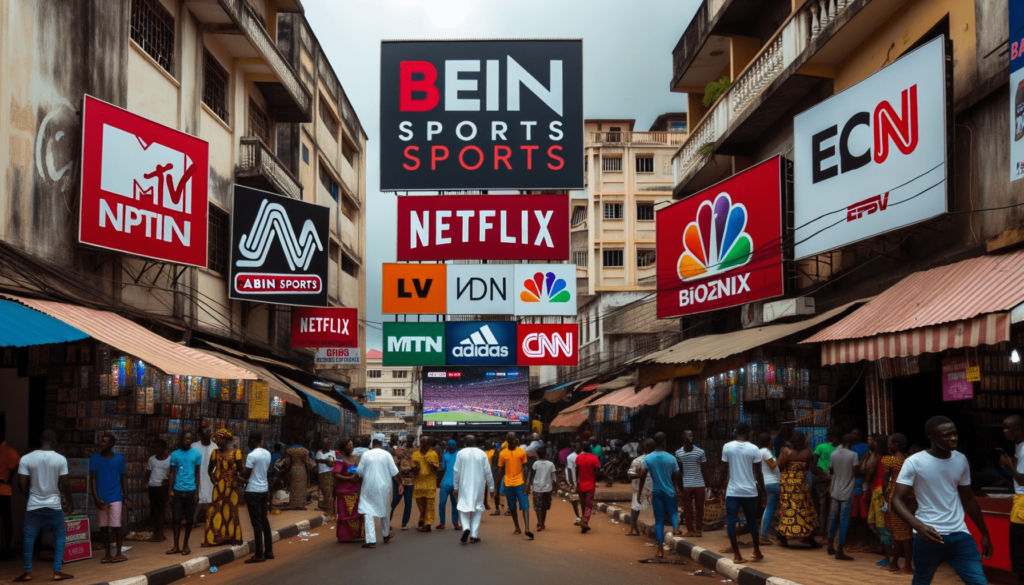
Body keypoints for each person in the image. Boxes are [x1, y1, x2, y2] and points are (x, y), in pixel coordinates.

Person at [892, 416, 992, 584]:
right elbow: (896, 500)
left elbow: (968, 498)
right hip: (929, 536)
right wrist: (919, 526)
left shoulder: (960, 459)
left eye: (955, 433)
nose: (953, 438)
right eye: (947, 435)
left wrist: (985, 534)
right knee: (922, 581)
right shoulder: (914, 462)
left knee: (979, 582)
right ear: (932, 437)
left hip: (960, 535)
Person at [14, 429, 74, 582]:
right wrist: (70, 503)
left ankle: (27, 572)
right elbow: (66, 483)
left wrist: (31, 497)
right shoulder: (60, 459)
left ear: (41, 439)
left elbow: (21, 484)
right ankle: (57, 572)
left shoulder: (26, 458)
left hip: (34, 506)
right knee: (60, 535)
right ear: (54, 442)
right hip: (54, 506)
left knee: (28, 537)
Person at [721, 423, 764, 564]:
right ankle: (757, 551)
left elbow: (723, 470)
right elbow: (759, 473)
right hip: (750, 492)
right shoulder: (754, 449)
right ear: (748, 432)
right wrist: (763, 491)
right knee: (752, 521)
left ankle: (737, 555)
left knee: (731, 521)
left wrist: (719, 487)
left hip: (733, 491)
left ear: (736, 432)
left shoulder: (727, 447)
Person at [639, 433, 682, 558]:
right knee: (673, 511)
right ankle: (675, 527)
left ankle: (659, 549)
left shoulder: (648, 458)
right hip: (669, 491)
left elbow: (642, 473)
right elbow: (678, 475)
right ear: (664, 442)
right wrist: (682, 488)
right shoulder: (671, 458)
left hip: (656, 492)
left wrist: (640, 489)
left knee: (659, 520)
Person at [775, 431, 820, 548]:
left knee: (787, 510)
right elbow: (813, 469)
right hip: (800, 486)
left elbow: (780, 467)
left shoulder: (787, 452)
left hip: (787, 486)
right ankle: (809, 538)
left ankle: (783, 538)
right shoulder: (807, 452)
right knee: (804, 510)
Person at [90, 432, 128, 563]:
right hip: (101, 497)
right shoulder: (95, 458)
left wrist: (126, 495)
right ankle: (107, 553)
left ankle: (118, 552)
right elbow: (93, 478)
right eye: (101, 441)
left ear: (111, 444)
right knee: (103, 527)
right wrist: (95, 497)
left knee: (116, 525)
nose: (101, 443)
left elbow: (123, 477)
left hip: (116, 496)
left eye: (104, 441)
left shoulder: (119, 459)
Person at [356, 437, 400, 549]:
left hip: (368, 486)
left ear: (373, 443)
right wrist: (401, 484)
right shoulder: (387, 455)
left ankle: (371, 541)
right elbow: (395, 472)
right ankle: (385, 534)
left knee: (368, 511)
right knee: (385, 509)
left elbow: (359, 472)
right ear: (381, 443)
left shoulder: (366, 455)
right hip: (384, 487)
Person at [202, 429, 243, 546]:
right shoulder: (215, 453)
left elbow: (241, 470)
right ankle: (216, 536)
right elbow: (209, 469)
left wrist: (237, 477)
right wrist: (213, 479)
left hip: (232, 488)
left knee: (232, 511)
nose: (216, 441)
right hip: (218, 488)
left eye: (218, 439)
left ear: (225, 439)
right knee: (216, 510)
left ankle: (233, 536)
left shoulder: (236, 453)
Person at [238, 431, 274, 563]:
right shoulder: (267, 453)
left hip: (252, 491)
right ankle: (269, 551)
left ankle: (259, 554)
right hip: (264, 489)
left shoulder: (251, 455)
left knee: (256, 523)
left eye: (249, 441)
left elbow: (246, 475)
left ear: (252, 441)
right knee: (264, 520)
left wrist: (238, 477)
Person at [453, 435, 494, 544]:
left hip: (464, 485)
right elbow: (488, 472)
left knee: (462, 507)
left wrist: (456, 487)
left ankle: (466, 528)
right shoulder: (482, 453)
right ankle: (474, 536)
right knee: (477, 509)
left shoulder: (460, 453)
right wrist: (492, 487)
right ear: (475, 443)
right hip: (479, 486)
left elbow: (456, 471)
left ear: (465, 444)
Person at [166, 431, 202, 555]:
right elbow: (171, 473)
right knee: (176, 519)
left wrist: (197, 491)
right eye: (186, 438)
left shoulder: (197, 454)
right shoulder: (175, 455)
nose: (188, 440)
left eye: (190, 438)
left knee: (189, 520)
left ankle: (186, 545)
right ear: (181, 439)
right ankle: (176, 545)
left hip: (191, 490)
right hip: (177, 491)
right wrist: (170, 490)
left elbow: (197, 474)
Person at [827, 434, 861, 561]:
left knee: (834, 518)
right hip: (847, 491)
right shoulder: (853, 455)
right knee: (844, 520)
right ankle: (840, 550)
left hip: (836, 489)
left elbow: (831, 470)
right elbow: (856, 471)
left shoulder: (834, 454)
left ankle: (830, 545)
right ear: (852, 444)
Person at [883, 433, 913, 574]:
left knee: (900, 532)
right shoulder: (909, 460)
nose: (888, 446)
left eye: (889, 443)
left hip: (894, 495)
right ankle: (898, 563)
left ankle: (902, 565)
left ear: (895, 445)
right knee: (904, 531)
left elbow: (885, 482)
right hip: (907, 496)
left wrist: (883, 496)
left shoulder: (889, 461)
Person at [861, 434, 893, 567]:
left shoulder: (879, 458)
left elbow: (865, 471)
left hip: (880, 491)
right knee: (874, 522)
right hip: (877, 490)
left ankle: (888, 554)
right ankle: (888, 548)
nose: (870, 443)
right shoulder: (880, 457)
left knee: (880, 523)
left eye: (872, 442)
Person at [999, 415, 1024, 583]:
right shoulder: (1019, 447)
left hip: (1022, 506)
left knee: (1020, 554)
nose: (1004, 431)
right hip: (1019, 502)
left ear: (1018, 428)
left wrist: (1009, 466)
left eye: (1008, 427)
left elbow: (1022, 479)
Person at [496, 433, 533, 539]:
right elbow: (500, 470)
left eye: (513, 441)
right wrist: (497, 487)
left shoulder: (522, 452)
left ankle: (527, 529)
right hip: (508, 483)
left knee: (525, 505)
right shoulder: (503, 453)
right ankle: (517, 527)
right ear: (507, 441)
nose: (512, 443)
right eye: (510, 441)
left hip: (520, 483)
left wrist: (527, 484)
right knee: (512, 507)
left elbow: (525, 468)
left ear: (516, 441)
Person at [675, 430, 708, 538]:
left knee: (699, 508)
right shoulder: (678, 453)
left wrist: (707, 483)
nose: (691, 438)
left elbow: (704, 469)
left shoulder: (700, 452)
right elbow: (678, 471)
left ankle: (698, 529)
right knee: (688, 509)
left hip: (699, 483)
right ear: (683, 437)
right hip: (687, 484)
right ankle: (691, 530)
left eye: (692, 436)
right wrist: (681, 485)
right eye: (688, 436)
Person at [333, 437, 364, 542]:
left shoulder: (356, 457)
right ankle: (345, 537)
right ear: (343, 447)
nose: (351, 447)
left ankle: (355, 535)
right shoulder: (340, 458)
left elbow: (361, 472)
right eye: (349, 445)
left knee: (357, 512)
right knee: (344, 513)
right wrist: (349, 478)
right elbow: (335, 474)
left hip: (355, 489)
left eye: (352, 445)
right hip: (343, 490)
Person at [812, 428, 841, 538]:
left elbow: (814, 466)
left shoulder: (820, 447)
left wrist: (822, 474)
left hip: (821, 480)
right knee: (832, 508)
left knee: (822, 506)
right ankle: (830, 532)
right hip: (834, 479)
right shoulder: (839, 450)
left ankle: (822, 529)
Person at [0, 427, 20, 562]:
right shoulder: (10, 452)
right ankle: (6, 549)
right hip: (3, 490)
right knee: (7, 522)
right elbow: (15, 466)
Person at [626, 439, 654, 536]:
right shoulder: (659, 459)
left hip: (639, 488)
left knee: (636, 507)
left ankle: (633, 528)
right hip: (656, 488)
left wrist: (641, 476)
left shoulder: (638, 460)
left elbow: (630, 475)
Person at [144, 439, 170, 543]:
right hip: (152, 486)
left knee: (161, 511)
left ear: (164, 448)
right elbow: (148, 473)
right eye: (155, 447)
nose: (156, 449)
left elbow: (173, 473)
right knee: (154, 511)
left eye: (158, 447)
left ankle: (161, 533)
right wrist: (146, 484)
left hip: (163, 487)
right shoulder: (151, 459)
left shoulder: (170, 459)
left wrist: (168, 481)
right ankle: (156, 532)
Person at [411, 437, 439, 532]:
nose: (423, 443)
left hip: (430, 484)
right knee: (421, 505)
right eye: (421, 441)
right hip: (419, 484)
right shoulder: (415, 454)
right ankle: (422, 520)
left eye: (424, 441)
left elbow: (436, 468)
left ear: (428, 442)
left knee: (430, 505)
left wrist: (432, 465)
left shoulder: (433, 454)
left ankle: (428, 525)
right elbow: (412, 468)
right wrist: (415, 469)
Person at [757, 433, 780, 545]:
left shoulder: (759, 452)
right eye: (771, 440)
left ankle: (764, 533)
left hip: (766, 483)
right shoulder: (765, 452)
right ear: (768, 441)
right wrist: (782, 458)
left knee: (769, 508)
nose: (772, 442)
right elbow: (772, 466)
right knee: (771, 508)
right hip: (772, 482)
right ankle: (764, 534)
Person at [191, 427, 216, 529]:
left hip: (210, 476)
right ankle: (193, 520)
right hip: (198, 475)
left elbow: (215, 462)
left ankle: (210, 521)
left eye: (209, 431)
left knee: (211, 498)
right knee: (198, 498)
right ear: (200, 435)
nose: (209, 433)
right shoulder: (194, 446)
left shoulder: (214, 446)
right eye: (206, 431)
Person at [848, 429, 870, 545]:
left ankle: (866, 540)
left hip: (861, 484)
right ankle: (851, 540)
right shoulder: (849, 448)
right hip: (851, 485)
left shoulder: (864, 448)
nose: (853, 436)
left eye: (855, 434)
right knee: (852, 515)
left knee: (864, 515)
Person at [575, 439, 601, 533]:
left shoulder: (578, 458)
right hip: (590, 485)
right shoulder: (594, 458)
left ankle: (583, 521)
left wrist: (576, 485)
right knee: (589, 505)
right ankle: (585, 522)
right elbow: (598, 472)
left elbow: (577, 472)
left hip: (581, 484)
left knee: (583, 504)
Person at [390, 435, 415, 530]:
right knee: (395, 501)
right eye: (408, 439)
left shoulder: (415, 450)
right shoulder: (399, 450)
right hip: (399, 480)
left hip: (410, 480)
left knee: (408, 503)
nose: (409, 440)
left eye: (411, 439)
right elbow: (395, 463)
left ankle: (404, 523)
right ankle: (387, 522)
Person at [528, 449, 556, 531]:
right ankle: (542, 523)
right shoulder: (551, 464)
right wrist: (552, 488)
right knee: (544, 507)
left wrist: (530, 485)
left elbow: (532, 475)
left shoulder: (535, 464)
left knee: (538, 506)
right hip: (547, 488)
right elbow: (553, 477)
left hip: (537, 488)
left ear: (537, 455)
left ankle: (540, 523)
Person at [437, 439, 460, 530]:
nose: (450, 446)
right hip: (445, 483)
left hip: (456, 484)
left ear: (455, 445)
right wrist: (439, 482)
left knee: (455, 504)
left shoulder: (459, 454)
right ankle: (442, 523)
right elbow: (443, 469)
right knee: (442, 503)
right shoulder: (445, 455)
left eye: (452, 444)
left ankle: (456, 523)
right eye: (449, 444)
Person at [315, 439, 337, 521]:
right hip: (321, 475)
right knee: (326, 494)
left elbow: (333, 463)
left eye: (329, 444)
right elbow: (317, 462)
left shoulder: (332, 453)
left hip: (330, 474)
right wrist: (325, 461)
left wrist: (323, 461)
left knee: (330, 494)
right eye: (326, 444)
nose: (328, 445)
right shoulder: (319, 453)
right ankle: (330, 512)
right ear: (323, 444)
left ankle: (331, 514)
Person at [286, 438, 311, 510]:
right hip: (301, 469)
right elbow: (307, 463)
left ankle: (293, 504)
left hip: (293, 469)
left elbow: (287, 463)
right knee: (301, 487)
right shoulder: (305, 451)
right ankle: (301, 504)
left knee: (293, 486)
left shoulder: (289, 450)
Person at [566, 442, 582, 525]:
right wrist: (571, 483)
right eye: (577, 447)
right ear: (575, 448)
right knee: (574, 500)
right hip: (574, 482)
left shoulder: (583, 456)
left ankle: (582, 516)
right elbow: (569, 470)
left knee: (582, 500)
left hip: (582, 481)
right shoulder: (570, 457)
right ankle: (578, 516)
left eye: (580, 447)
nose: (579, 449)